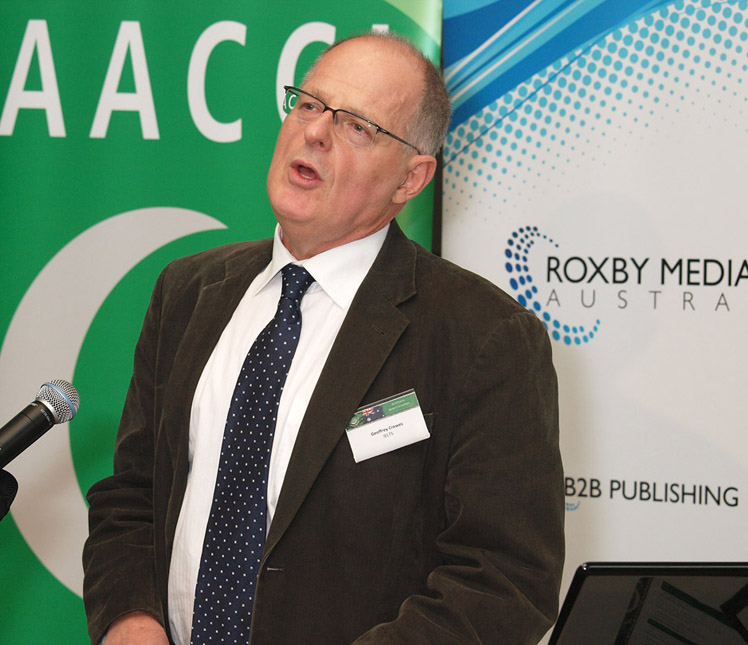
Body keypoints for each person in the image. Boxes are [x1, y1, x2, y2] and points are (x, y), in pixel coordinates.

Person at [83, 32, 564, 645]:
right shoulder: (189, 292)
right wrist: (129, 618)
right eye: (309, 104)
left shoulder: (484, 338)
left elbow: (504, 582)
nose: (314, 132)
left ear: (411, 178)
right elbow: (132, 497)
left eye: (357, 126)